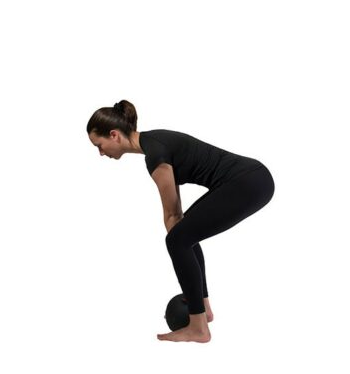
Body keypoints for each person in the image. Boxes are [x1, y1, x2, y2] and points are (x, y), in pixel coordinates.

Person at [87, 100, 275, 343]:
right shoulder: (154, 143)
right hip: (253, 179)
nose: (101, 153)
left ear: (113, 135)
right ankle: (203, 311)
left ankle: (198, 327)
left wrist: (179, 250)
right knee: (183, 236)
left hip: (248, 183)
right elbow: (177, 217)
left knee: (178, 239)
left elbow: (172, 216)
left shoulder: (156, 157)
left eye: (99, 145)